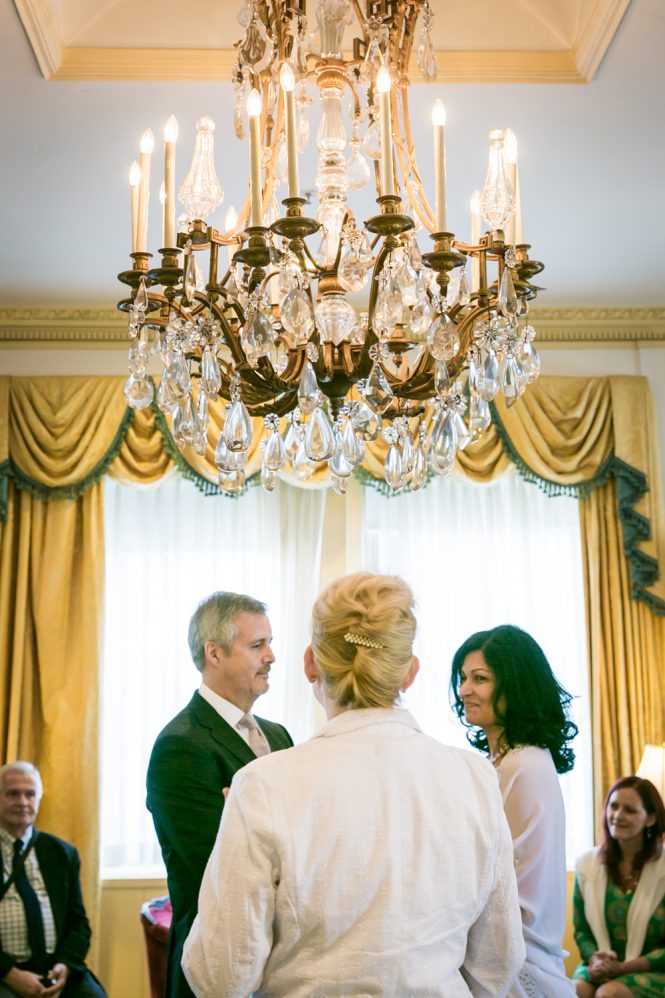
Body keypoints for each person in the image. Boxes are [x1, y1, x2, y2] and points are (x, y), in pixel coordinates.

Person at [183, 572, 525, 997]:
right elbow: (499, 958)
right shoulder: (474, 778)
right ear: (409, 673)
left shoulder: (264, 785)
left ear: (311, 663)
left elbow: (222, 974)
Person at [146, 591, 293, 998]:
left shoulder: (279, 735)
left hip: (281, 962)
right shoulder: (180, 746)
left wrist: (251, 823)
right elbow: (214, 865)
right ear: (214, 653)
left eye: (270, 643)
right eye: (257, 645)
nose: (271, 656)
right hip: (214, 964)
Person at [451, 624, 578, 998]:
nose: (464, 690)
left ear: (516, 685)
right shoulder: (500, 763)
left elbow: (520, 889)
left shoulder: (525, 766)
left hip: (520, 962)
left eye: (480, 679)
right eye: (463, 678)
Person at [0, 761, 105, 998]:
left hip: (55, 968)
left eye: (30, 794)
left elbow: (78, 924)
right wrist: (10, 974)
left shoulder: (62, 853)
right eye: (12, 794)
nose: (22, 802)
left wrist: (65, 965)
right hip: (4, 971)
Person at [572, 775, 665, 997]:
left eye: (629, 810)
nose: (617, 815)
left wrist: (624, 968)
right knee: (574, 990)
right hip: (599, 965)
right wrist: (595, 960)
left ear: (651, 819)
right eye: (613, 806)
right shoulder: (587, 864)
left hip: (654, 970)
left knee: (609, 993)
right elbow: (581, 930)